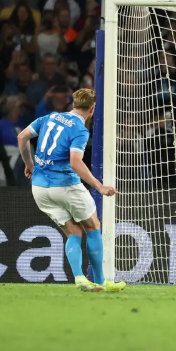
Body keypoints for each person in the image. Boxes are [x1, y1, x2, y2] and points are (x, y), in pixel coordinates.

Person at [16, 88, 125, 293]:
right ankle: (101, 281)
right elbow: (75, 162)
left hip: (39, 188)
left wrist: (30, 165)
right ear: (92, 109)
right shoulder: (80, 130)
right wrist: (99, 186)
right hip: (65, 185)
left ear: (73, 104)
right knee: (93, 226)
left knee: (73, 231)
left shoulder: (50, 117)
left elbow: (22, 137)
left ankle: (80, 278)